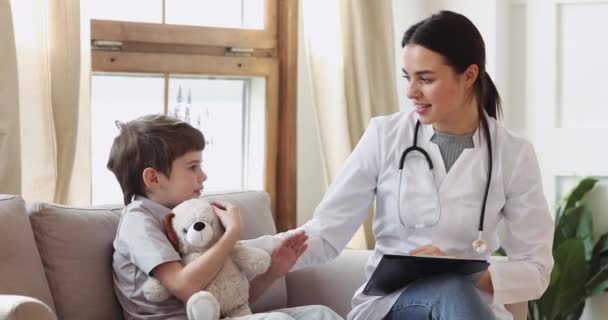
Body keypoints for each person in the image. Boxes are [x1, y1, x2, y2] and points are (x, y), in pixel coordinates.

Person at [243, 10, 554, 320]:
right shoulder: (385, 135)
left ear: (469, 76)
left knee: (454, 289)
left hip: (470, 304)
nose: (411, 91)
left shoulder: (513, 154)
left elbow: (536, 268)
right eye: (408, 77)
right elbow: (326, 231)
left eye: (426, 79)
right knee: (451, 291)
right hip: (392, 306)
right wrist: (245, 254)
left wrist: (468, 272)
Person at [107, 114, 343, 320]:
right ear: (153, 178)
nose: (203, 176)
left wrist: (273, 273)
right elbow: (183, 285)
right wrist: (231, 234)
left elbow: (232, 302)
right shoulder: (139, 221)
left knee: (319, 314)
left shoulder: (187, 219)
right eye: (192, 167)